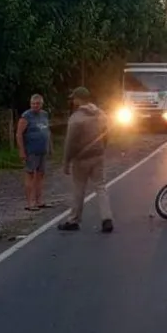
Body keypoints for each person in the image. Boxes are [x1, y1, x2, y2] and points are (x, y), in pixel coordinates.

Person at [58, 86, 113, 233]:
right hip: (98, 156)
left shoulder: (76, 119)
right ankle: (106, 218)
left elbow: (70, 143)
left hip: (81, 159)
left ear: (78, 100)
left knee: (79, 189)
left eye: (74, 98)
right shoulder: (101, 114)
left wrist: (66, 162)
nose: (73, 100)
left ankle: (74, 220)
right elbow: (106, 134)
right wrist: (102, 148)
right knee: (101, 187)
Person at [16, 93, 51, 211]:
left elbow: (47, 131)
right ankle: (30, 202)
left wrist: (50, 147)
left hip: (42, 150)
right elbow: (19, 134)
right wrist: (22, 150)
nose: (35, 105)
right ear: (30, 104)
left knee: (40, 175)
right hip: (31, 150)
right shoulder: (26, 116)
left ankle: (39, 200)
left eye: (37, 103)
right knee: (30, 174)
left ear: (41, 104)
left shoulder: (44, 115)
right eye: (33, 103)